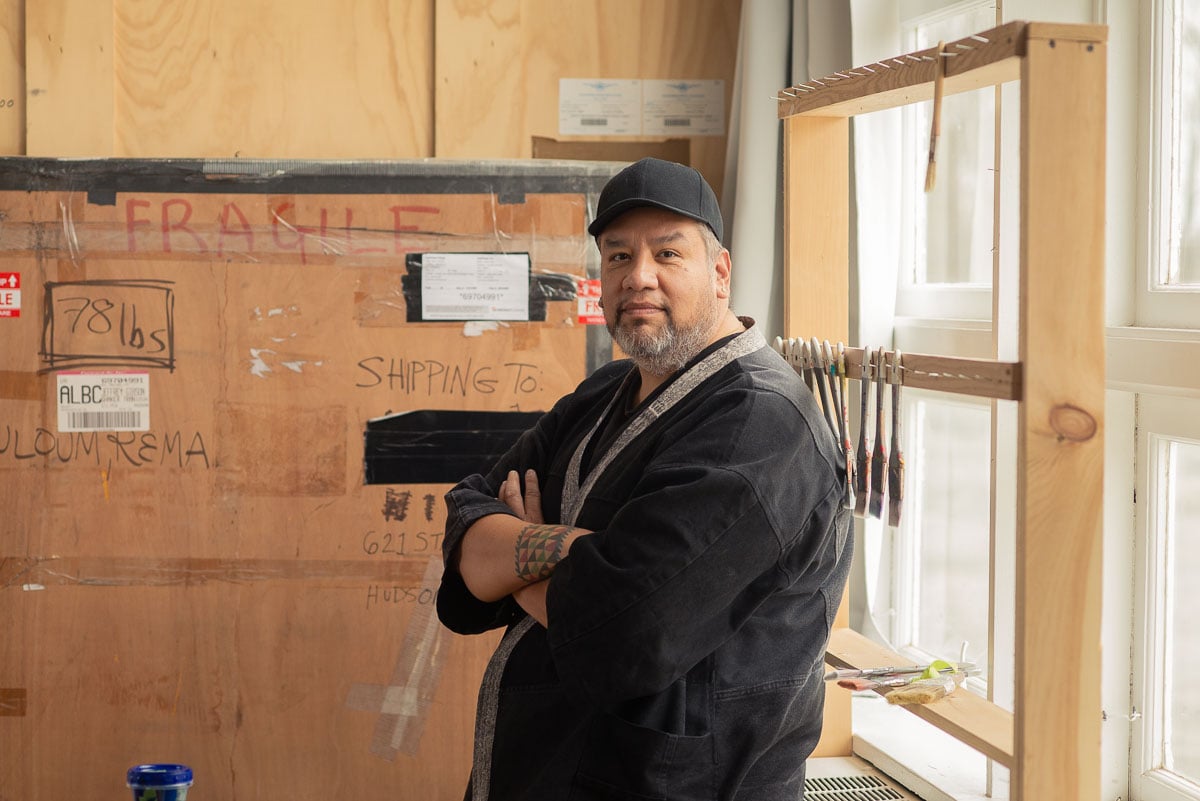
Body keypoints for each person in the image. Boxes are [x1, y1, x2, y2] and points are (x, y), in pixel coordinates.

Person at [437, 157, 852, 801]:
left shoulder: (761, 425)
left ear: (720, 273)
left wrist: (520, 549)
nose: (639, 277)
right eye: (618, 256)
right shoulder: (608, 390)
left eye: (668, 253)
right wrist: (581, 557)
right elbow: (466, 518)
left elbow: (626, 631)